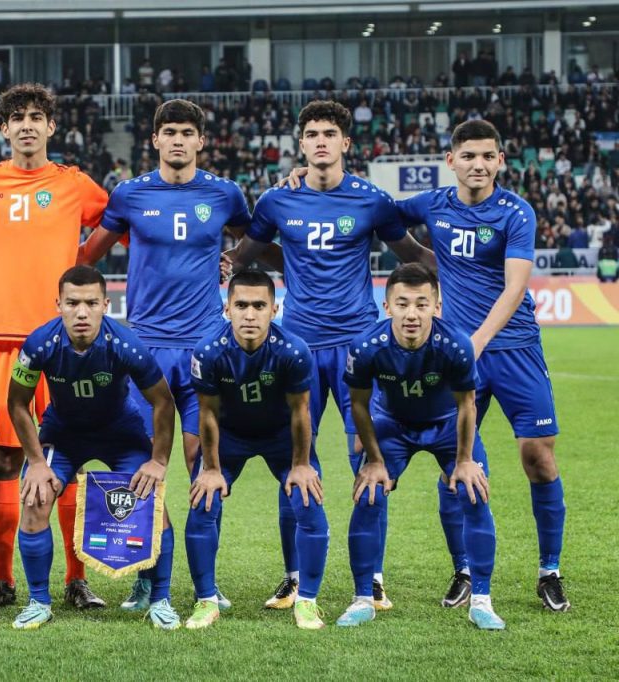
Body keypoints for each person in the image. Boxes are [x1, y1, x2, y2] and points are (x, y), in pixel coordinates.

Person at [233, 100, 430, 611]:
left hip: (359, 348)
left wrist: (475, 272)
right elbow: (244, 254)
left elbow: (413, 256)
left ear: (346, 142)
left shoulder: (372, 201)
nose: (321, 141)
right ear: (301, 144)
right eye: (312, 134)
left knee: (369, 457)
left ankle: (373, 577)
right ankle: (294, 575)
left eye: (330, 134)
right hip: (297, 346)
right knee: (293, 460)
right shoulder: (277, 200)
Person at [77, 99, 257, 610]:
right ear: (155, 139)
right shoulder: (129, 194)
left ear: (201, 140)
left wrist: (233, 258)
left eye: (186, 132)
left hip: (203, 349)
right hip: (145, 352)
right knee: (140, 465)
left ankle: (206, 583)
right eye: (169, 132)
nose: (178, 140)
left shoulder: (224, 194)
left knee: (204, 463)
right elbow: (88, 255)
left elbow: (256, 239)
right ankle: (145, 575)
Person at [0, 83, 108, 610]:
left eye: (36, 117)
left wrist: (84, 255)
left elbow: (115, 222)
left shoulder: (73, 184)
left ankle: (76, 580)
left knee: (68, 463)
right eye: (17, 118)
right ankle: (3, 580)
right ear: (4, 129)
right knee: (4, 463)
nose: (27, 125)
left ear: (51, 127)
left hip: (61, 348)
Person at [397, 119, 570, 612]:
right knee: (455, 461)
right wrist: (422, 257)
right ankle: (464, 569)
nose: (478, 164)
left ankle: (550, 570)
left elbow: (515, 288)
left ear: (500, 161)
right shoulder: (433, 205)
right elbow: (378, 215)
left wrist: (477, 340)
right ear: (450, 160)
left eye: (488, 156)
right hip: (458, 354)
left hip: (514, 349)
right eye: (469, 155)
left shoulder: (516, 212)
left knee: (538, 457)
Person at [6, 266, 179, 630]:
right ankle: (39, 601)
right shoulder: (39, 344)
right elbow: (18, 403)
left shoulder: (126, 344)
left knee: (152, 501)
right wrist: (36, 461)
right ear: (58, 304)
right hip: (63, 433)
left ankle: (160, 599)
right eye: (72, 303)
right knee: (35, 498)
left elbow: (163, 401)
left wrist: (159, 461)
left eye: (90, 303)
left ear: (106, 304)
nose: (81, 312)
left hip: (120, 431)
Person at [337, 263, 502, 630]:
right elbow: (359, 406)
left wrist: (464, 460)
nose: (411, 314)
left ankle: (482, 601)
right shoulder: (366, 347)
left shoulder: (456, 345)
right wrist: (374, 460)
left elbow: (467, 405)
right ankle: (363, 598)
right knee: (369, 494)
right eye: (402, 304)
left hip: (447, 427)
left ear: (436, 307)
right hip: (393, 426)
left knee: (474, 492)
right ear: (387, 306)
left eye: (421, 304)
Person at [184, 270, 328, 630]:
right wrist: (211, 469)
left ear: (274, 310)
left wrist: (301, 465)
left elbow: (301, 411)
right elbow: (207, 414)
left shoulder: (294, 351)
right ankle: (206, 600)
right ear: (227, 308)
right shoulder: (208, 352)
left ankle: (307, 601)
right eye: (242, 305)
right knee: (203, 502)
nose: (250, 315)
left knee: (307, 500)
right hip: (230, 437)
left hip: (281, 437)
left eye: (259, 306)